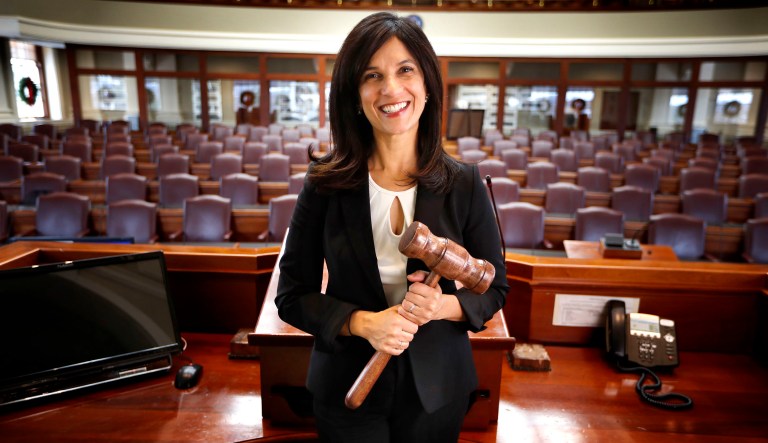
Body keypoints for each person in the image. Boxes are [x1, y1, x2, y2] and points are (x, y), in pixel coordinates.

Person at [275, 12, 509, 443]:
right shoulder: (324, 184)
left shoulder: (465, 183)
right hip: (347, 383)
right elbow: (291, 297)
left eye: (405, 70)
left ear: (427, 85)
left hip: (437, 390)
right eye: (372, 75)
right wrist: (363, 323)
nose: (391, 89)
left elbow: (494, 288)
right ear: (354, 94)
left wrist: (442, 307)